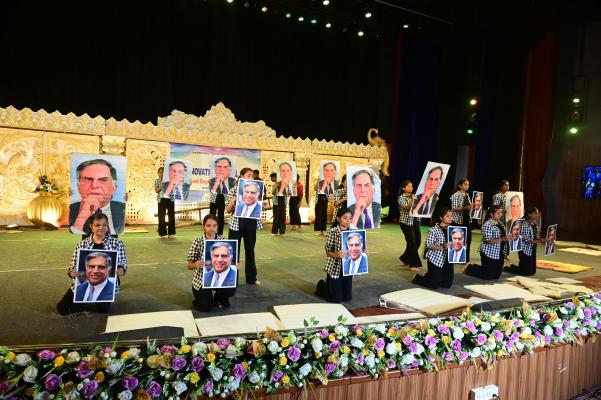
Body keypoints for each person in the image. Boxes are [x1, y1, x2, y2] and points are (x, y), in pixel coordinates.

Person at [57, 212, 127, 315]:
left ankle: (93, 298)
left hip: (104, 284)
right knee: (63, 309)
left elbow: (122, 263)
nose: (101, 228)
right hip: (83, 282)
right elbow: (73, 265)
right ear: (91, 227)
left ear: (108, 226)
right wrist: (72, 272)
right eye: (97, 225)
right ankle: (85, 298)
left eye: (104, 225)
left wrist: (121, 270)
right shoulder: (82, 244)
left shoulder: (117, 244)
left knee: (102, 310)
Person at [187, 215, 235, 310]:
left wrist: (234, 265)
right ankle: (199, 300)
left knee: (230, 289)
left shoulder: (224, 241)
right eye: (208, 225)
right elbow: (189, 265)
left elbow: (230, 262)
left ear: (217, 227)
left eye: (214, 225)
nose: (211, 228)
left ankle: (218, 298)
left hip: (220, 277)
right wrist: (195, 265)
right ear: (204, 227)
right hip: (201, 280)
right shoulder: (198, 241)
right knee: (205, 307)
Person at [226, 168, 264, 285]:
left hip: (251, 224)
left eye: (252, 176)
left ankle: (251, 278)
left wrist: (263, 205)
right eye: (248, 175)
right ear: (241, 176)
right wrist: (232, 202)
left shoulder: (257, 190)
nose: (251, 177)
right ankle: (232, 279)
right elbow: (227, 210)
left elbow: (258, 206)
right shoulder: (233, 190)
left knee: (250, 251)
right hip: (236, 226)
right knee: (233, 252)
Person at [70, 159, 125, 235]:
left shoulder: (123, 209)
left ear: (114, 187)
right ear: (78, 186)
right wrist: (80, 220)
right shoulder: (70, 210)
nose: (94, 185)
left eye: (103, 180)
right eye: (88, 179)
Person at [315, 208, 354, 302]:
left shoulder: (354, 231)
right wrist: (336, 254)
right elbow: (328, 252)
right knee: (335, 299)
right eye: (345, 218)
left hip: (347, 268)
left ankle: (334, 288)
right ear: (338, 219)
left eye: (350, 218)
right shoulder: (332, 232)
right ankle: (321, 286)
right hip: (335, 268)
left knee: (347, 298)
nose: (348, 221)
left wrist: (363, 251)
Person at [411, 207, 454, 289]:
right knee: (434, 285)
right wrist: (442, 247)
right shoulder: (433, 230)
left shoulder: (454, 230)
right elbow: (429, 245)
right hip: (436, 259)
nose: (450, 218)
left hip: (448, 260)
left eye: (451, 216)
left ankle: (431, 275)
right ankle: (417, 278)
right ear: (441, 218)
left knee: (447, 285)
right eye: (447, 216)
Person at [463, 205, 508, 280]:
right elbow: (488, 241)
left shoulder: (501, 224)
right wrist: (503, 239)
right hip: (488, 252)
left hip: (499, 252)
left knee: (496, 275)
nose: (500, 215)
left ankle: (482, 268)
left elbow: (504, 237)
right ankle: (469, 267)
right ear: (491, 214)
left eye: (501, 213)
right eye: (498, 213)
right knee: (488, 275)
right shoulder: (487, 225)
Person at [505, 207, 544, 276]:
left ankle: (513, 266)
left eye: (537, 214)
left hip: (532, 249)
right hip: (524, 251)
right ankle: (507, 268)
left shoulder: (534, 224)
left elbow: (536, 237)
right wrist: (540, 241)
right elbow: (527, 241)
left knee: (532, 272)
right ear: (529, 214)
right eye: (535, 213)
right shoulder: (524, 225)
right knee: (526, 272)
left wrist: (544, 240)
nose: (537, 215)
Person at [397, 180, 422, 270]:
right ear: (403, 188)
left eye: (411, 186)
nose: (411, 188)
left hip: (414, 221)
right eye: (408, 186)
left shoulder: (414, 196)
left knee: (418, 241)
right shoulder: (401, 198)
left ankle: (405, 258)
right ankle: (414, 264)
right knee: (412, 242)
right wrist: (412, 199)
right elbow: (407, 208)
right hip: (406, 222)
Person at [209, 157, 236, 236]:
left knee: (221, 216)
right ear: (215, 169)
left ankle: (220, 233)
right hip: (215, 199)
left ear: (230, 169)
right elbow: (212, 198)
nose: (222, 170)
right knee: (212, 216)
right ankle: (211, 232)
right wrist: (217, 182)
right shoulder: (212, 180)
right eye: (219, 167)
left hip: (225, 200)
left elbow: (230, 196)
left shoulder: (233, 181)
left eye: (225, 167)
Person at [450, 179, 473, 262]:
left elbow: (470, 207)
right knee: (458, 241)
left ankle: (465, 258)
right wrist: (465, 208)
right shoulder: (455, 195)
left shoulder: (467, 195)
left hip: (467, 221)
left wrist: (474, 207)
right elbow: (454, 208)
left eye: (468, 184)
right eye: (465, 184)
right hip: (458, 222)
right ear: (460, 186)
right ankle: (456, 258)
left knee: (468, 240)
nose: (467, 186)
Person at [314, 162, 338, 235]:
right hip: (319, 199)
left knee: (324, 215)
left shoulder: (336, 183)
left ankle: (323, 230)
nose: (329, 173)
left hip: (326, 199)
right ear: (323, 172)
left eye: (331, 170)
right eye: (326, 170)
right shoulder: (320, 182)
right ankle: (318, 230)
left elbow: (333, 193)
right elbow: (316, 189)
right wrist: (324, 184)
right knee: (318, 215)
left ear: (335, 172)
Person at [272, 162, 294, 237]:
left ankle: (282, 232)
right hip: (276, 202)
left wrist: (286, 185)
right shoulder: (275, 184)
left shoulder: (288, 183)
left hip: (283, 201)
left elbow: (289, 193)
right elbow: (273, 193)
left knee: (282, 217)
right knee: (276, 217)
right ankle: (274, 231)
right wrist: (276, 186)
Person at [492, 180, 510, 260]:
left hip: (507, 220)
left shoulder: (508, 196)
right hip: (499, 220)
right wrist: (503, 210)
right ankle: (498, 254)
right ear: (501, 187)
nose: (507, 186)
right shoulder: (498, 196)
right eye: (505, 185)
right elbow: (494, 208)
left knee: (506, 237)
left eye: (508, 185)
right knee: (500, 237)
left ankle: (504, 255)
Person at [154, 166, 173, 239]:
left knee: (171, 216)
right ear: (158, 173)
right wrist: (162, 184)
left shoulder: (170, 180)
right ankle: (161, 234)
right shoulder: (157, 181)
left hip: (170, 199)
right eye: (160, 172)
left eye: (163, 172)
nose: (162, 173)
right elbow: (156, 190)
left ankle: (170, 234)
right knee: (161, 216)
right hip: (161, 200)